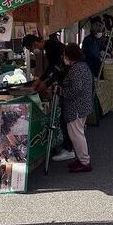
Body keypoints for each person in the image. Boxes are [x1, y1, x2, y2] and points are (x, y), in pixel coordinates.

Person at [22, 33, 73, 162]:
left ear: (34, 43)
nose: (33, 51)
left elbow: (57, 69)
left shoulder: (52, 47)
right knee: (65, 117)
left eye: (31, 48)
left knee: (65, 117)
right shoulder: (50, 47)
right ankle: (68, 146)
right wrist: (41, 79)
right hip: (64, 80)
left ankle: (69, 149)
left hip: (67, 81)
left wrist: (45, 83)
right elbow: (51, 68)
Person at [60, 44, 95, 173]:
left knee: (76, 135)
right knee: (77, 133)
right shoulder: (83, 66)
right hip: (83, 105)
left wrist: (61, 92)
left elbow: (76, 88)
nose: (63, 57)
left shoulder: (75, 69)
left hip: (76, 107)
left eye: (65, 54)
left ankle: (85, 161)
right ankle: (81, 159)